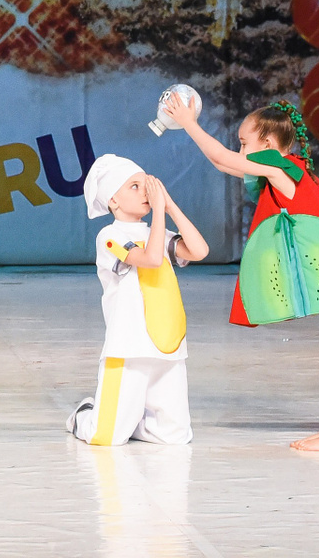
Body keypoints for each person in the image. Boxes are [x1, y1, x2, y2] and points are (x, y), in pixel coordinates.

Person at [161, 95, 319, 451]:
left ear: (268, 145)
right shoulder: (279, 170)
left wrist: (189, 122)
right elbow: (222, 162)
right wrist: (191, 127)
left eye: (244, 143)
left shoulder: (280, 168)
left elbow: (222, 158)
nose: (240, 150)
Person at [68, 155, 210, 446]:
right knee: (105, 437)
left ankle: (129, 421)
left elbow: (199, 251)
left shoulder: (157, 233)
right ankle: (84, 414)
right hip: (129, 346)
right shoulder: (109, 236)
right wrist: (158, 213)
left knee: (174, 436)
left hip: (167, 343)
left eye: (146, 184)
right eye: (134, 186)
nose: (144, 191)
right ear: (113, 200)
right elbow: (151, 258)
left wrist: (169, 206)